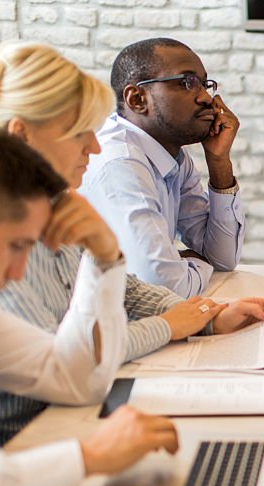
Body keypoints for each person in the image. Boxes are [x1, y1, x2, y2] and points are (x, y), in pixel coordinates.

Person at [0, 42, 264, 451]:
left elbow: (130, 296)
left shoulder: (53, 205)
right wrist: (171, 323)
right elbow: (77, 361)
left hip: (51, 428)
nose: (95, 146)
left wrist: (209, 315)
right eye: (79, 130)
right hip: (10, 445)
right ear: (22, 136)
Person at [0, 130, 179, 486]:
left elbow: (75, 377)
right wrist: (85, 458)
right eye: (16, 246)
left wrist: (105, 258)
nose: (18, 273)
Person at [80, 37, 244, 297]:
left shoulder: (173, 155)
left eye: (204, 84)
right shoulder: (120, 163)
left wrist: (219, 162)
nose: (205, 98)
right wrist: (196, 262)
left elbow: (222, 258)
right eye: (187, 82)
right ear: (137, 99)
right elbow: (165, 287)